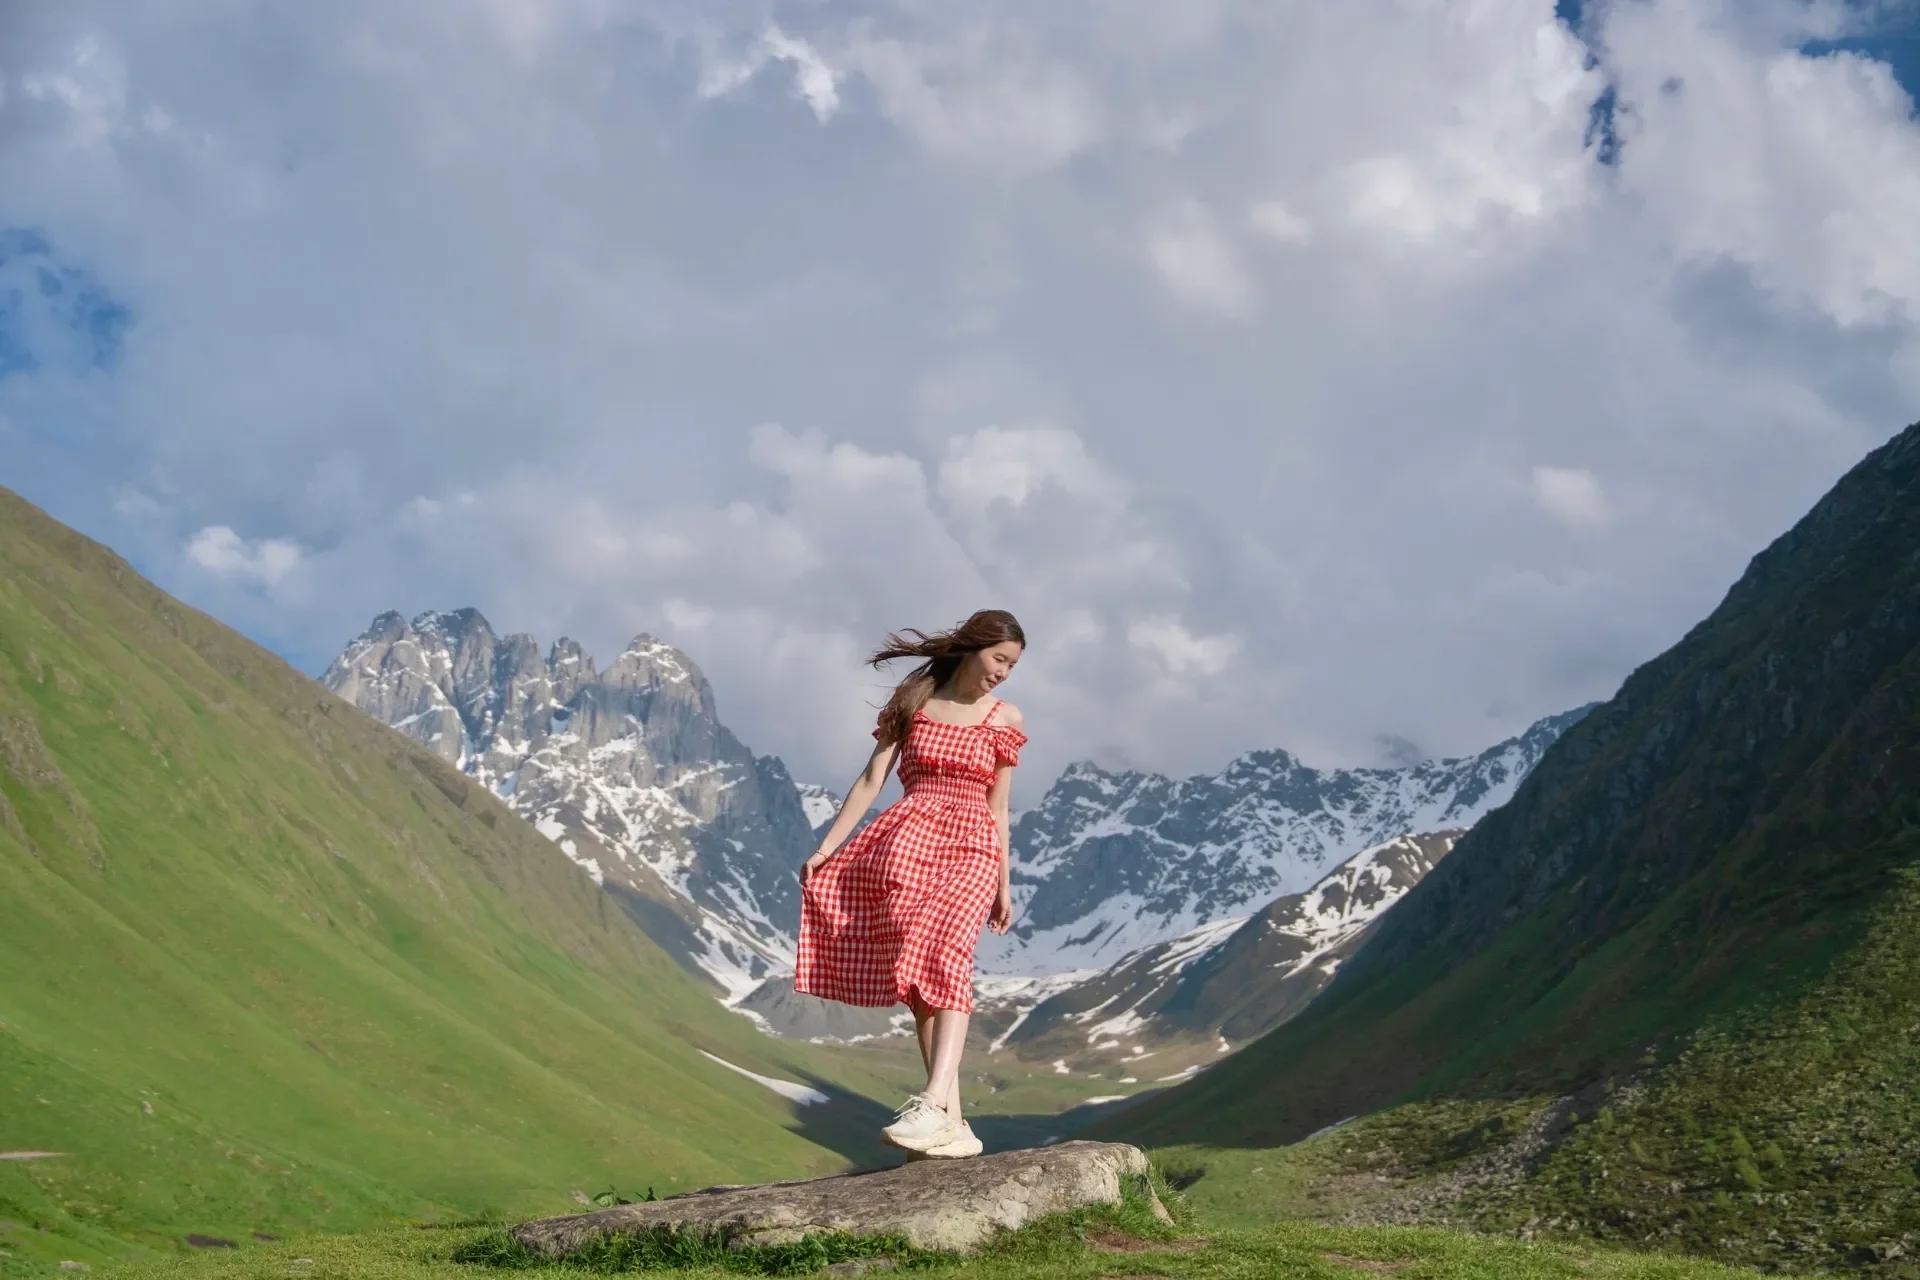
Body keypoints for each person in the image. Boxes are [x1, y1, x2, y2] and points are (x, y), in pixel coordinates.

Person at [795, 609, 1027, 1159]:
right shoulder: (915, 702)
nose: (1004, 673)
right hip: (907, 842)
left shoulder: (1005, 719)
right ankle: (955, 1122)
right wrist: (826, 848)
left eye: (1013, 666)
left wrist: (1003, 885)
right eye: (999, 659)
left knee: (947, 956)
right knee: (919, 983)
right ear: (972, 649)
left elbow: (999, 808)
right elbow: (873, 778)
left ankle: (929, 1102)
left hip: (971, 845)